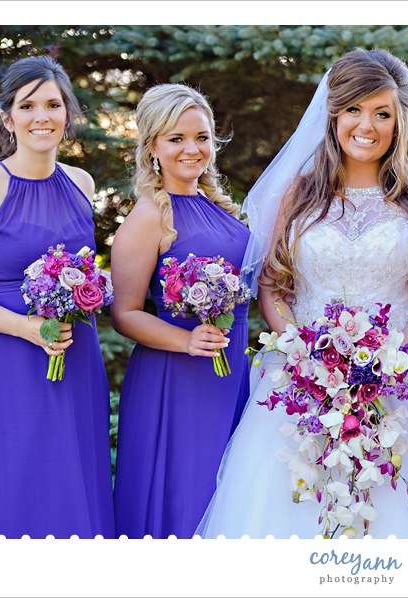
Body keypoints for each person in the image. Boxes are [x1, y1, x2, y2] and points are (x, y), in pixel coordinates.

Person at [196, 48, 408, 539]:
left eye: (383, 113)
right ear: (333, 114)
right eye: (354, 109)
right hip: (303, 383)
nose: (367, 125)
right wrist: (306, 359)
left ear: (399, 121)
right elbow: (272, 287)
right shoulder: (297, 195)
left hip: (403, 387)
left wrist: (390, 365)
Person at [0, 56, 114, 539]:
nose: (42, 116)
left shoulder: (81, 184)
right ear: (8, 118)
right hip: (1, 357)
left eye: (53, 105)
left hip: (71, 354)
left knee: (66, 477)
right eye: (27, 105)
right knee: (10, 479)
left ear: (68, 114)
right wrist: (25, 328)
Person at [110, 84, 251, 539]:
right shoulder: (149, 217)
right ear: (153, 146)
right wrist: (185, 339)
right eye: (177, 139)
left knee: (231, 495)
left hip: (231, 371)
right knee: (186, 493)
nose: (193, 149)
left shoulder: (219, 208)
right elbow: (124, 313)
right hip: (177, 376)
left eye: (202, 137)